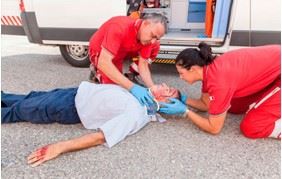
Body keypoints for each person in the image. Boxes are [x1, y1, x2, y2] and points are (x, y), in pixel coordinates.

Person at [1, 82, 179, 167]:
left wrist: (59, 147)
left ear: (163, 101)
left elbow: (101, 136)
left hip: (69, 106)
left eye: (168, 90)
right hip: (75, 92)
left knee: (19, 110)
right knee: (29, 97)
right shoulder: (141, 94)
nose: (164, 84)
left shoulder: (137, 114)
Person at [159, 43, 281, 139]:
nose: (180, 77)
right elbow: (206, 105)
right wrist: (181, 97)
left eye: (181, 73)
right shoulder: (209, 70)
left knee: (251, 128)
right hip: (275, 73)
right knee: (233, 106)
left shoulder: (219, 82)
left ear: (193, 69)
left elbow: (214, 128)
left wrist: (185, 111)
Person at [88, 13, 167, 107]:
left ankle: (131, 74)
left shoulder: (147, 38)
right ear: (145, 24)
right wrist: (132, 87)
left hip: (122, 50)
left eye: (157, 38)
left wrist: (152, 87)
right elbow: (104, 62)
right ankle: (96, 70)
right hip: (101, 52)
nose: (153, 40)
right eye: (153, 35)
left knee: (155, 46)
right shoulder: (119, 27)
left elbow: (143, 65)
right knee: (113, 92)